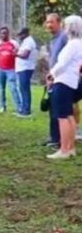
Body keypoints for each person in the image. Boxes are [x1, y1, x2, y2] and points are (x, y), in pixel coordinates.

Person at [46, 15, 82, 159]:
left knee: (62, 117)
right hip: (71, 81)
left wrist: (51, 74)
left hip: (63, 82)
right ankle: (70, 148)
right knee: (69, 115)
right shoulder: (79, 43)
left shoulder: (72, 44)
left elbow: (62, 63)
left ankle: (64, 149)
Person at [44, 13, 68, 149]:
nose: (49, 25)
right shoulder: (53, 39)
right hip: (53, 77)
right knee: (52, 108)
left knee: (60, 110)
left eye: (51, 22)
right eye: (47, 22)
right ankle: (53, 137)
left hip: (61, 79)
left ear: (59, 23)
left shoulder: (64, 37)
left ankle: (60, 139)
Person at [0, 27, 21, 113]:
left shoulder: (14, 43)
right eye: (2, 33)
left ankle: (18, 107)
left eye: (5, 33)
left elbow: (18, 54)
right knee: (1, 89)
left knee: (13, 88)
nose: (3, 35)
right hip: (1, 69)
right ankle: (2, 106)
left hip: (11, 69)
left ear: (8, 33)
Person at [15, 27, 38, 117]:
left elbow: (25, 55)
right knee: (23, 89)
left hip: (25, 68)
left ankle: (26, 110)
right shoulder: (26, 41)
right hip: (22, 68)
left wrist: (15, 54)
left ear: (25, 34)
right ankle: (24, 108)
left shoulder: (29, 42)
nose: (19, 36)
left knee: (24, 89)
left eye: (20, 35)